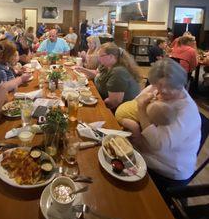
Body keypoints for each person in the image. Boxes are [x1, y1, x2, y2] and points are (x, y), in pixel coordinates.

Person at [116, 59, 201, 191]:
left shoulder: (186, 111)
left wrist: (142, 110)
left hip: (165, 169)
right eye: (159, 85)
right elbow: (133, 105)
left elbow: (159, 145)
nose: (163, 91)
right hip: (144, 153)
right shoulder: (156, 90)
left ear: (180, 83)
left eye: (169, 87)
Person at [75, 42, 141, 110]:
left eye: (101, 56)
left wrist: (96, 103)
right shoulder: (106, 64)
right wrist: (82, 69)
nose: (98, 58)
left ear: (111, 56)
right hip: (97, 96)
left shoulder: (118, 72)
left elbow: (114, 101)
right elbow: (96, 73)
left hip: (119, 110)